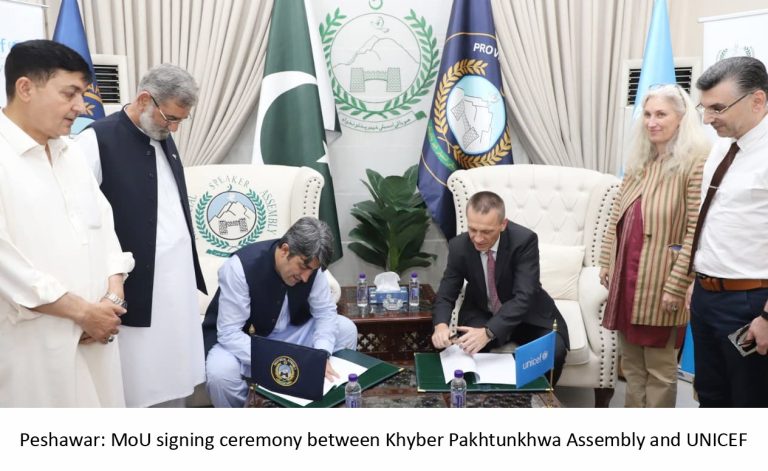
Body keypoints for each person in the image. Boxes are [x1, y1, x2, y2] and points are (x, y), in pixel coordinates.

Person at [0, 40, 134, 406]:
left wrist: (110, 298)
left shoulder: (71, 153)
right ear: (25, 88)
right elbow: (7, 266)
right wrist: (84, 313)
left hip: (98, 335)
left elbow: (104, 228)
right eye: (70, 93)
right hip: (34, 348)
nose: (81, 106)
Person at [77, 64, 207, 407]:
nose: (175, 126)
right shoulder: (96, 140)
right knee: (139, 383)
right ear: (144, 99)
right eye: (170, 117)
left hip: (176, 285)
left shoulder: (162, 135)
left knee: (177, 375)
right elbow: (76, 217)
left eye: (181, 120)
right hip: (134, 286)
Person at [599, 84, 710, 408]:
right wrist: (607, 263)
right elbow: (615, 218)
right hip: (627, 283)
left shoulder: (696, 163)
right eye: (647, 114)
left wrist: (677, 285)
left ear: (681, 118)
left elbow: (696, 230)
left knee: (659, 373)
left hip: (661, 287)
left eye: (661, 114)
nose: (652, 121)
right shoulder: (640, 162)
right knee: (631, 369)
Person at [204, 217, 358, 407]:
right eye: (303, 267)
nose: (305, 277)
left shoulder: (311, 268)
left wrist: (320, 356)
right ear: (285, 250)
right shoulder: (239, 267)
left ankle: (323, 401)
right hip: (248, 342)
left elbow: (326, 314)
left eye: (312, 271)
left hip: (293, 334)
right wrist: (284, 358)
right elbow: (229, 333)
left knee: (346, 328)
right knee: (220, 374)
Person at [687, 56, 768, 407]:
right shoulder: (722, 146)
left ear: (757, 100)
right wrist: (698, 281)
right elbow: (716, 221)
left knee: (748, 405)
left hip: (751, 303)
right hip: (707, 296)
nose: (707, 119)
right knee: (711, 397)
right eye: (703, 108)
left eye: (717, 108)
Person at [432, 191, 569, 384]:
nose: (478, 238)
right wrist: (441, 326)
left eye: (486, 232)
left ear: (503, 224)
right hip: (482, 312)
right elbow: (446, 293)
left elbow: (524, 296)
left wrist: (489, 332)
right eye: (472, 229)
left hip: (528, 316)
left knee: (554, 351)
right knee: (466, 352)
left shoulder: (524, 240)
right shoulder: (459, 246)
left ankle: (534, 401)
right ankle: (481, 403)